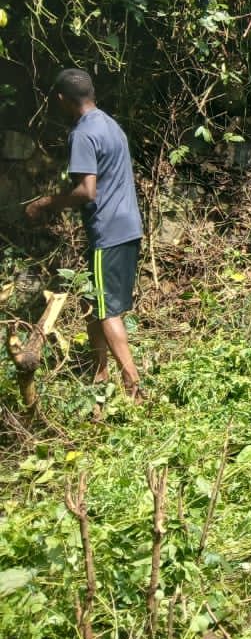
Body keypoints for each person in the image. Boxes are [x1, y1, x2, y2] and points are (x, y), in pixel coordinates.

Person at [24, 68, 145, 400]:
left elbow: (87, 191)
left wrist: (47, 202)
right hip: (128, 226)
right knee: (93, 303)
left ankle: (133, 387)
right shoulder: (109, 124)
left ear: (62, 99)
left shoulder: (82, 134)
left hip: (109, 231)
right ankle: (99, 373)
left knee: (107, 311)